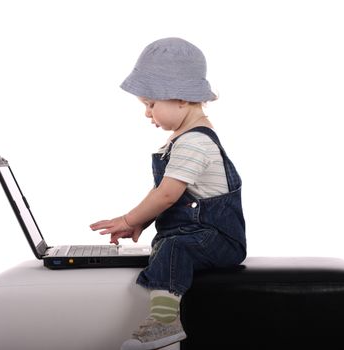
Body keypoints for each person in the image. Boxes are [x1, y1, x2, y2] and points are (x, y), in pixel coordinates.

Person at [90, 37, 246, 350]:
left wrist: (127, 218)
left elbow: (166, 196)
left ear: (181, 99)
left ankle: (165, 324)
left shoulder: (193, 143)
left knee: (174, 248)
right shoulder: (183, 139)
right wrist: (142, 224)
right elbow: (166, 193)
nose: (147, 113)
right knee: (170, 245)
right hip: (196, 232)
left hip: (217, 238)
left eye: (150, 104)